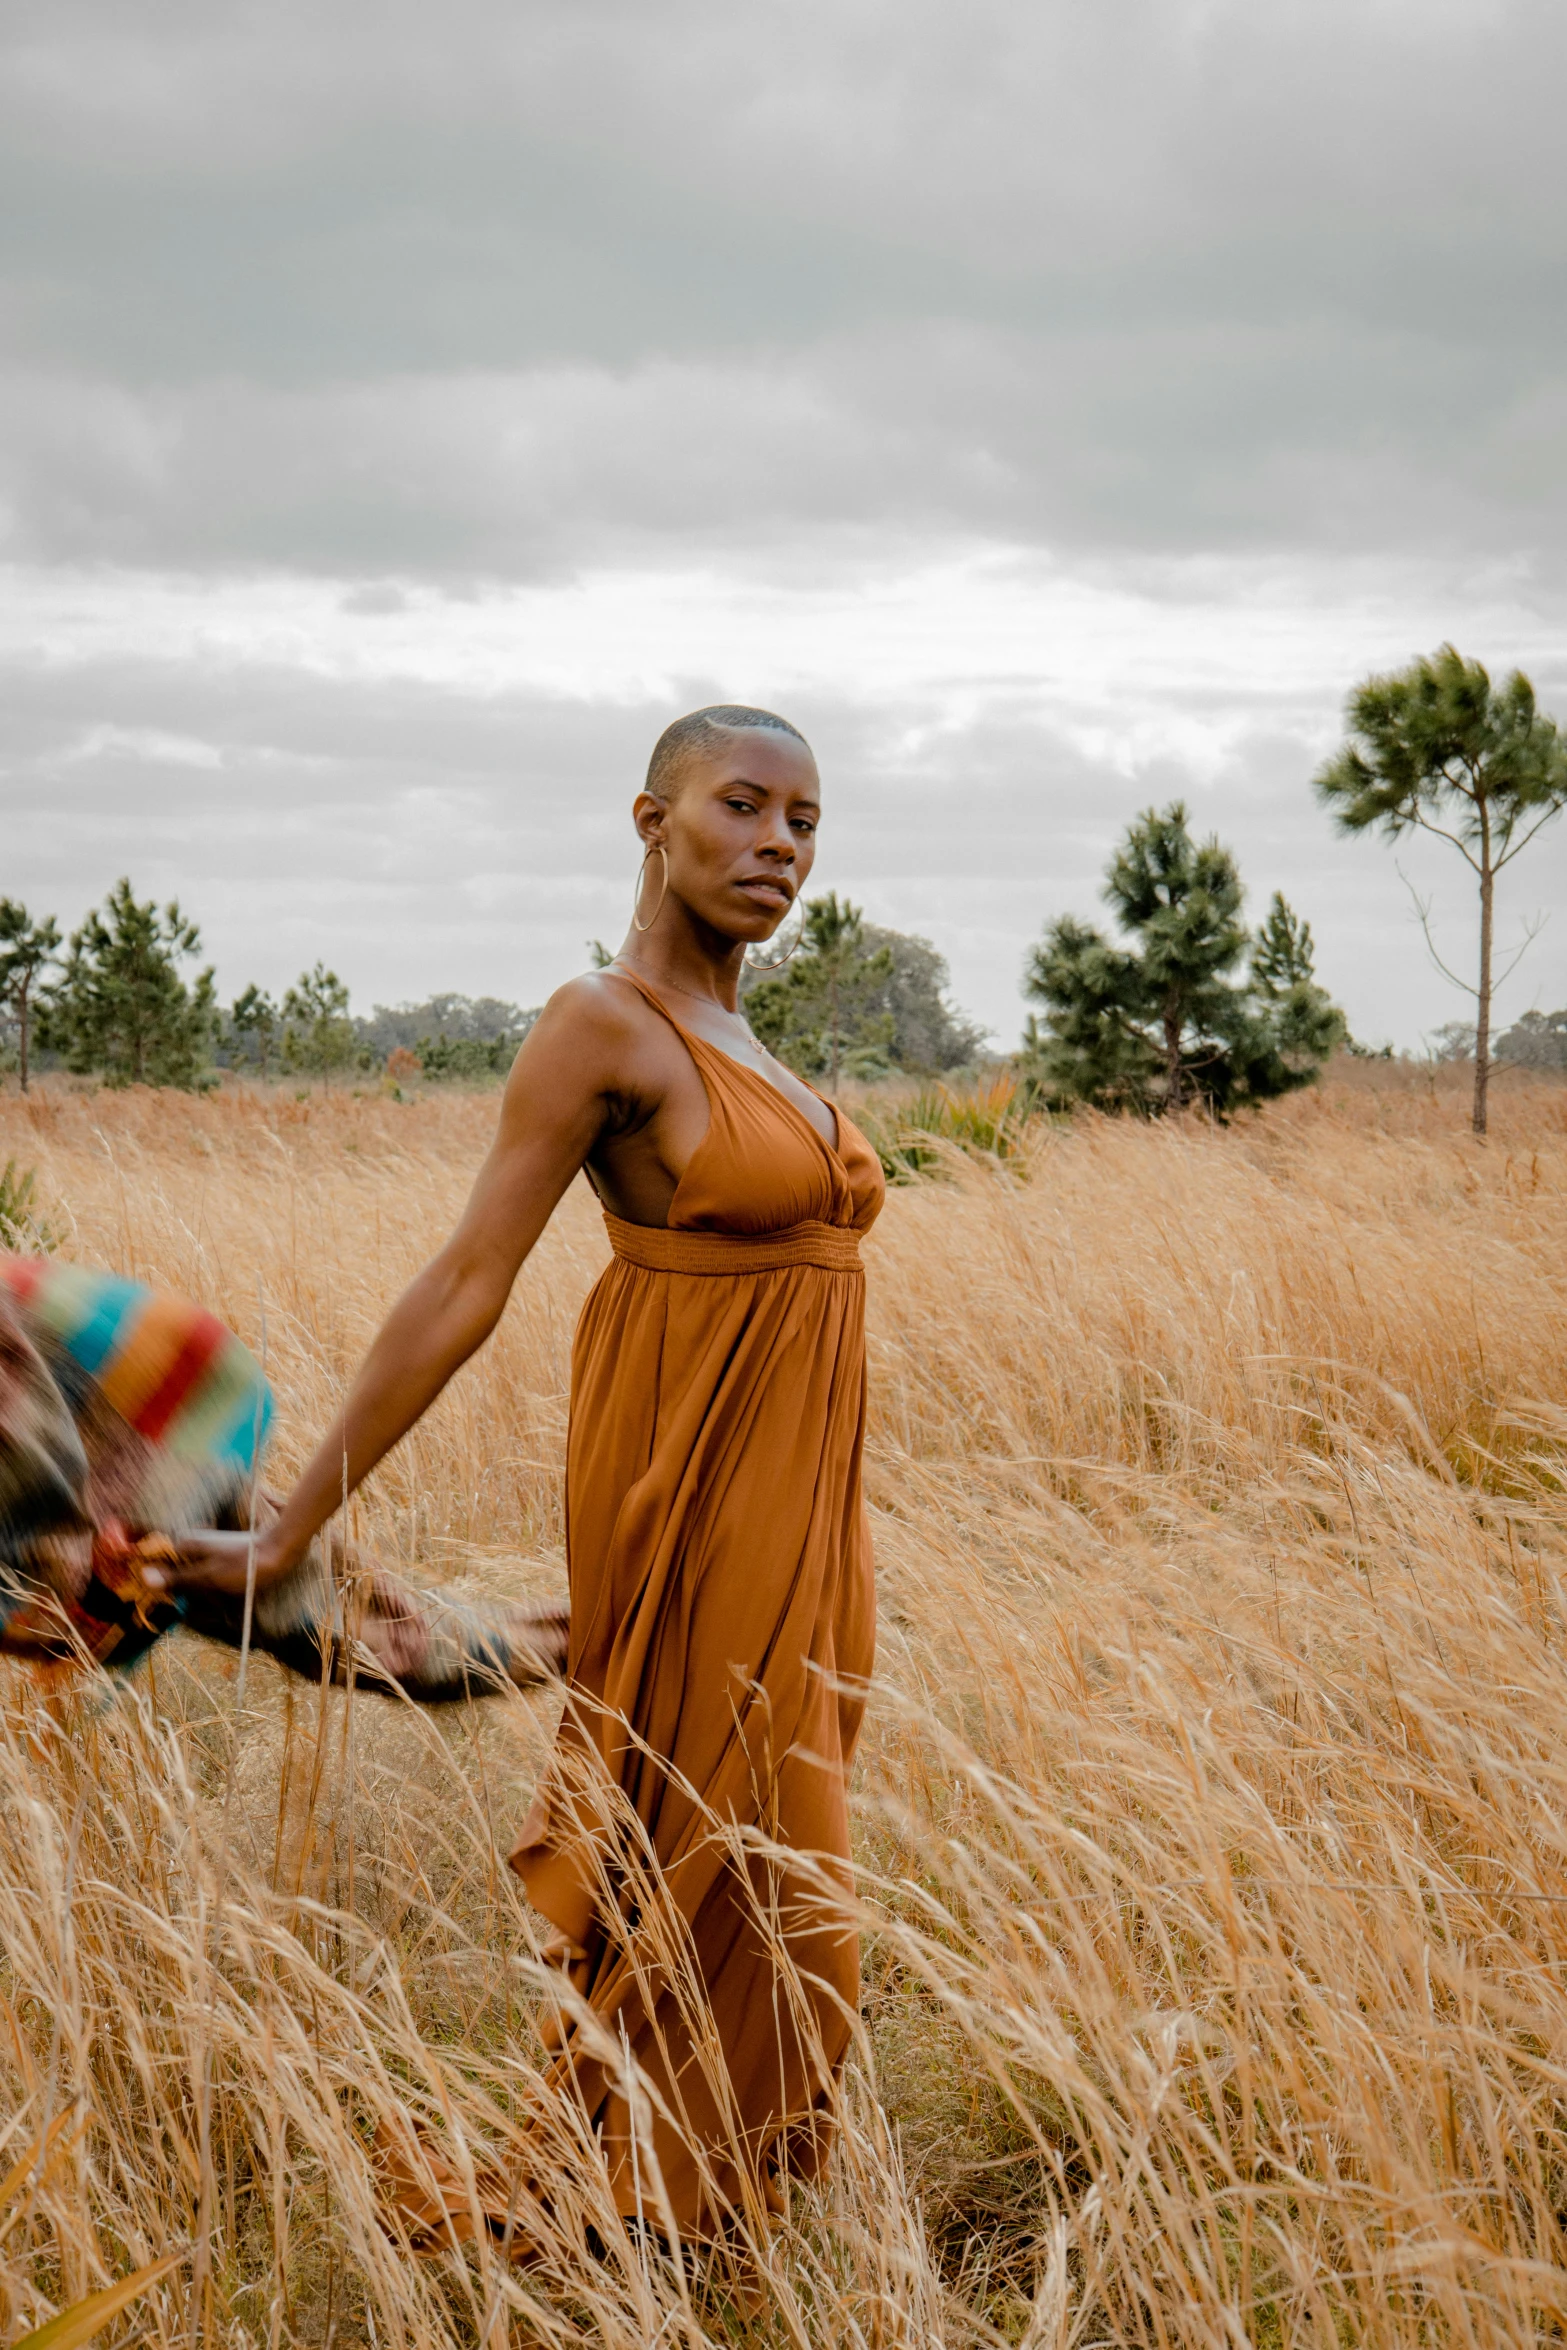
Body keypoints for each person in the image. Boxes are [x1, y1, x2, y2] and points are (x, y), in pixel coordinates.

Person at [162, 704, 885, 2238]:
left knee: (773, 1879)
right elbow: (464, 1281)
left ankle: (683, 2233)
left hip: (802, 1511)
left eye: (804, 822)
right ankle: (631, 2219)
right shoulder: (602, 1022)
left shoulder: (757, 1043)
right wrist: (296, 1523)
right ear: (651, 819)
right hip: (682, 1491)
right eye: (742, 807)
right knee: (737, 1869)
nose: (778, 846)